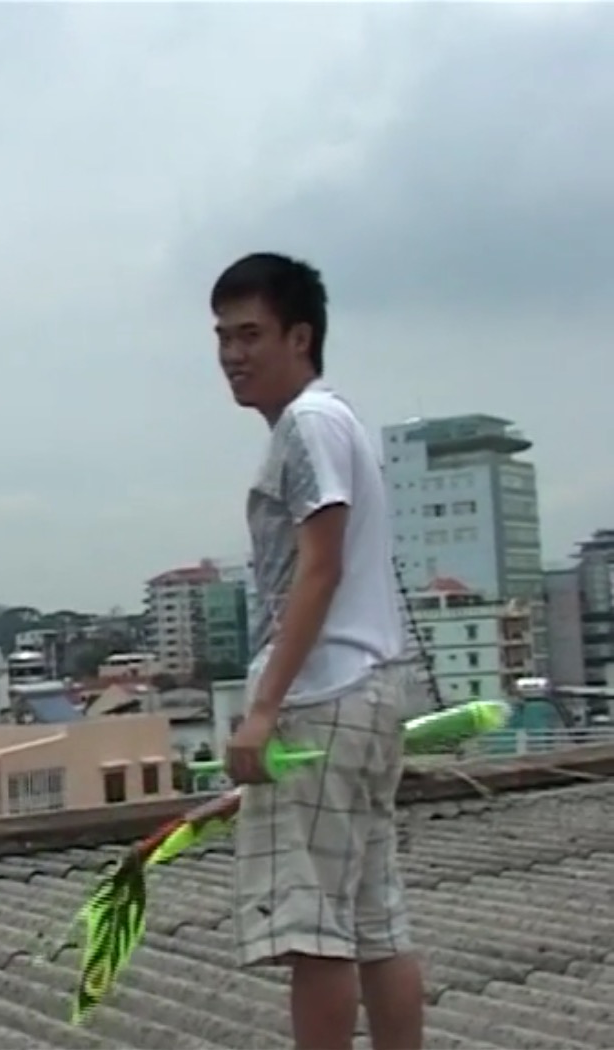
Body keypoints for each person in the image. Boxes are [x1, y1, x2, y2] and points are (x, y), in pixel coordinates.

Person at [212, 252, 426, 1050]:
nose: (232, 354)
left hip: (319, 700)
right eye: (222, 336)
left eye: (250, 334)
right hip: (368, 693)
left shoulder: (306, 425)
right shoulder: (335, 421)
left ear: (299, 337)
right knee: (375, 921)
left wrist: (263, 709)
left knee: (315, 932)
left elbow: (320, 566)